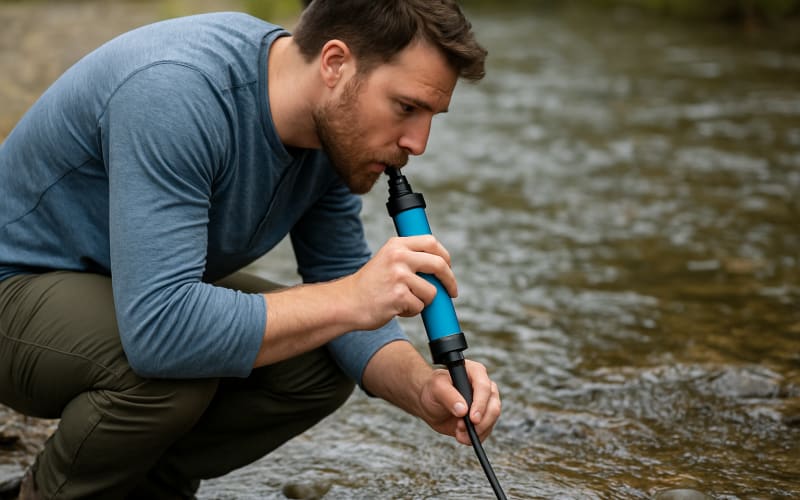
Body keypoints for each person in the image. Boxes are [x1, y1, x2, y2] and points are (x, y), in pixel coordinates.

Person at [0, 0, 500, 498]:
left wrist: (422, 389)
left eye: (431, 115)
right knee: (175, 371)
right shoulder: (176, 90)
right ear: (334, 64)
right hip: (15, 286)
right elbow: (161, 334)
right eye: (406, 107)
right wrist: (352, 300)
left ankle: (141, 487)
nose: (418, 142)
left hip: (116, 289)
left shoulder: (333, 132)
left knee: (323, 354)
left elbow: (340, 275)